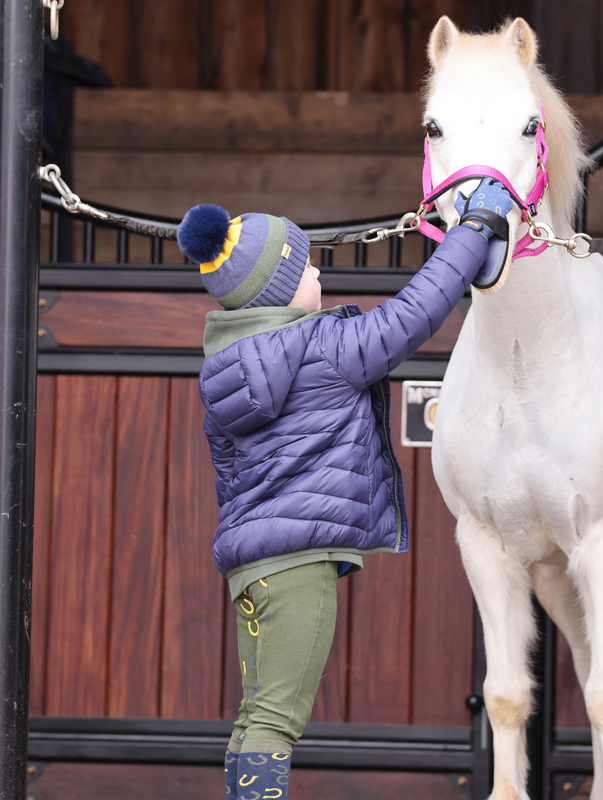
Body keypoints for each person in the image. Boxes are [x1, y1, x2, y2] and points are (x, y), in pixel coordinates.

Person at [176, 178, 513, 799]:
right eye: (304, 265)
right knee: (278, 720)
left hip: (252, 571)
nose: (317, 271)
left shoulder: (221, 372)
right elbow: (413, 314)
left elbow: (228, 475)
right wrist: (475, 229)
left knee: (256, 712)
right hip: (300, 567)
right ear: (278, 291)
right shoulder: (323, 348)